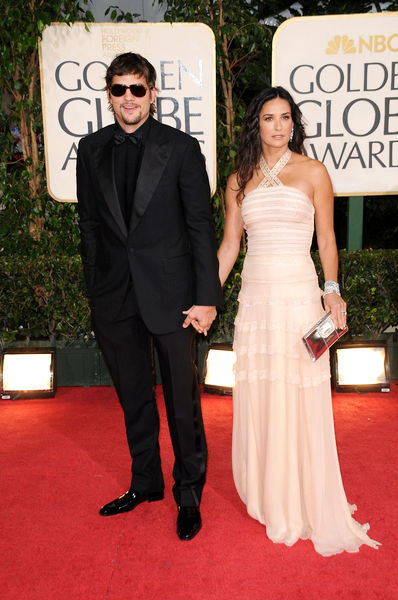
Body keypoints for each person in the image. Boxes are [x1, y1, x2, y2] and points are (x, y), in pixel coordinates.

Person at [217, 86, 380, 556]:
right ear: (256, 125)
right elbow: (230, 246)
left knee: (299, 396)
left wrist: (332, 291)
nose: (279, 126)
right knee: (264, 393)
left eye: (286, 117)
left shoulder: (313, 172)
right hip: (256, 302)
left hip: (298, 298)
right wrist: (207, 297)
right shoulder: (238, 180)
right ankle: (271, 495)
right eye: (269, 118)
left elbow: (327, 239)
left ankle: (303, 497)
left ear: (294, 123)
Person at [76, 52, 223, 541]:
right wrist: (97, 289)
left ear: (153, 93)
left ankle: (188, 493)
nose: (128, 99)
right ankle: (146, 483)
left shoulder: (181, 148)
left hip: (174, 296)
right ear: (109, 94)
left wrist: (207, 297)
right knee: (134, 398)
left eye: (137, 89)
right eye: (119, 89)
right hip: (115, 297)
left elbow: (201, 227)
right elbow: (91, 226)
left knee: (182, 401)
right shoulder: (91, 149)